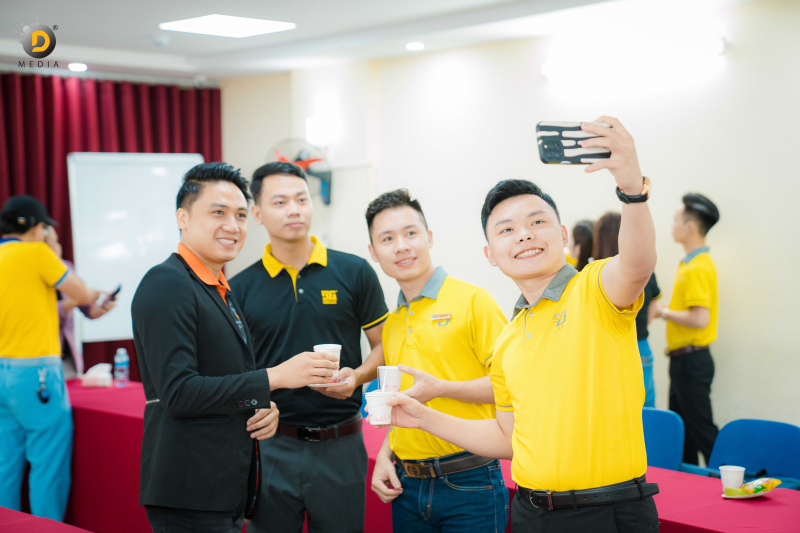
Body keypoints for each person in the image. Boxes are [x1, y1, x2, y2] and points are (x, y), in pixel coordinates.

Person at [380, 117, 660, 533]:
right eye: (507, 230)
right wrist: (421, 417)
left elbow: (637, 265)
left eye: (537, 222)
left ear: (561, 234)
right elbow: (507, 438)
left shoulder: (594, 289)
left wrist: (632, 190)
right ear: (491, 254)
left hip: (607, 511)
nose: (524, 235)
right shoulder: (509, 338)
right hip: (531, 512)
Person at [132, 163, 339, 533]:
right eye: (218, 213)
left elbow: (222, 378)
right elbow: (179, 393)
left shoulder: (219, 289)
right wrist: (273, 378)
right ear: (182, 217)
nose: (233, 225)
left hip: (223, 487)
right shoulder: (167, 283)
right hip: (189, 491)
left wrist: (261, 406)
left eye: (241, 215)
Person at [230, 162, 389, 533]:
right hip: (270, 445)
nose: (294, 209)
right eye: (280, 202)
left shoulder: (354, 272)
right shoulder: (239, 288)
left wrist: (357, 377)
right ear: (257, 213)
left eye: (302, 199)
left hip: (341, 443)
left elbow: (385, 344)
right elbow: (233, 371)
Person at [365, 189, 509, 533]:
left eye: (410, 233)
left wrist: (441, 388)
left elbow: (513, 386)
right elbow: (403, 402)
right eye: (387, 238)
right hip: (407, 483)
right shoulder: (393, 322)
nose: (401, 246)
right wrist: (385, 454)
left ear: (429, 237)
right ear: (373, 252)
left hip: (470, 481)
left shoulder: (473, 301)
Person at [0, 195, 104, 521]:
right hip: (36, 373)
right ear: (38, 228)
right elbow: (82, 293)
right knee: (48, 462)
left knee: (5, 465)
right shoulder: (37, 253)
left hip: (3, 371)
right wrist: (53, 253)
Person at [653, 193, 720, 465]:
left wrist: (662, 312)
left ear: (690, 226)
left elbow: (700, 319)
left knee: (702, 431)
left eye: (675, 220)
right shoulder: (690, 264)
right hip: (683, 361)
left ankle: (732, 482)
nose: (672, 225)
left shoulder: (697, 268)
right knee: (683, 437)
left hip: (692, 362)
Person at [593, 211, 661, 407]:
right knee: (646, 409)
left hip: (605, 351)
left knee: (610, 408)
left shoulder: (593, 275)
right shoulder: (644, 271)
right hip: (640, 344)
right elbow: (653, 306)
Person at [44, 227, 116, 378]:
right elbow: (42, 314)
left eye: (56, 241)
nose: (57, 245)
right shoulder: (33, 273)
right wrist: (76, 299)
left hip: (67, 357)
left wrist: (100, 308)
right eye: (52, 241)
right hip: (42, 355)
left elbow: (88, 309)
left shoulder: (66, 269)